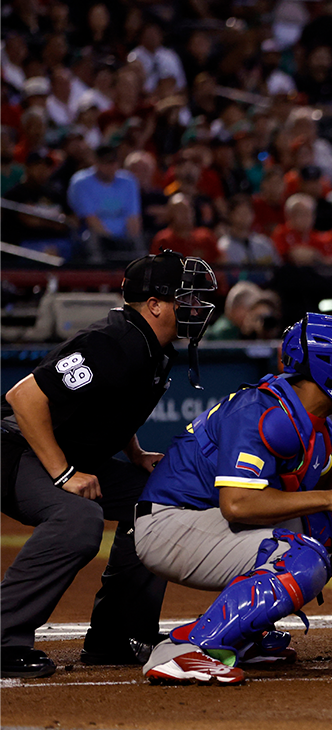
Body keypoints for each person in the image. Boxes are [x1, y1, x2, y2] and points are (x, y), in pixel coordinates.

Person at [133, 313, 332, 685]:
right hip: (171, 523)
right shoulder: (260, 412)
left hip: (204, 519)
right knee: (301, 555)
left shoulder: (308, 413)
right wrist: (328, 499)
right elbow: (238, 504)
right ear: (324, 366)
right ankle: (185, 649)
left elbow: (325, 469)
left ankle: (241, 638)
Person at [0, 251, 217, 678]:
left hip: (57, 452)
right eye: (185, 298)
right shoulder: (112, 341)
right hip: (14, 448)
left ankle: (117, 635)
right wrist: (64, 474)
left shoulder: (150, 345)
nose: (195, 309)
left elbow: (111, 407)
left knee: (161, 498)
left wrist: (134, 454)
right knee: (78, 518)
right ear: (155, 304)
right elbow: (24, 398)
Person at [67, 144, 142, 263]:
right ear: (96, 162)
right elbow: (91, 220)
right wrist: (112, 241)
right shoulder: (81, 182)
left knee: (140, 245)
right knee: (92, 239)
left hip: (124, 237)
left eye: (113, 162)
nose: (111, 167)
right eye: (106, 163)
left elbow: (133, 219)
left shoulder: (128, 181)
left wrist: (128, 242)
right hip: (96, 237)